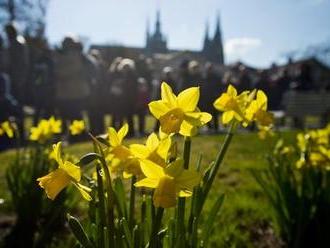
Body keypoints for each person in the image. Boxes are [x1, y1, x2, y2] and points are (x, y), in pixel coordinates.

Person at [54, 37, 92, 134]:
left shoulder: (76, 55)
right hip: (65, 92)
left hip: (75, 91)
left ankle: (80, 134)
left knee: (75, 114)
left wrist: (60, 73)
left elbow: (73, 69)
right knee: (66, 114)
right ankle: (70, 134)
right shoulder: (62, 55)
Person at [5, 23, 29, 105]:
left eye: (8, 31)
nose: (7, 34)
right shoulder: (13, 42)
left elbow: (20, 61)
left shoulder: (17, 42)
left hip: (17, 75)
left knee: (17, 96)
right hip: (13, 74)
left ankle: (18, 115)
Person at [0, 74, 23, 150]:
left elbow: (18, 115)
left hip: (6, 127)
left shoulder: (9, 102)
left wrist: (13, 118)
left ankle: (17, 141)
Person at [201, 63, 223, 132]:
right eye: (208, 68)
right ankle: (209, 127)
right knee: (207, 112)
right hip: (207, 98)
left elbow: (220, 87)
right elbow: (203, 87)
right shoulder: (204, 77)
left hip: (214, 97)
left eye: (210, 68)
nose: (209, 69)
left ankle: (216, 128)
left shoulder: (216, 77)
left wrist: (218, 94)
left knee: (215, 113)